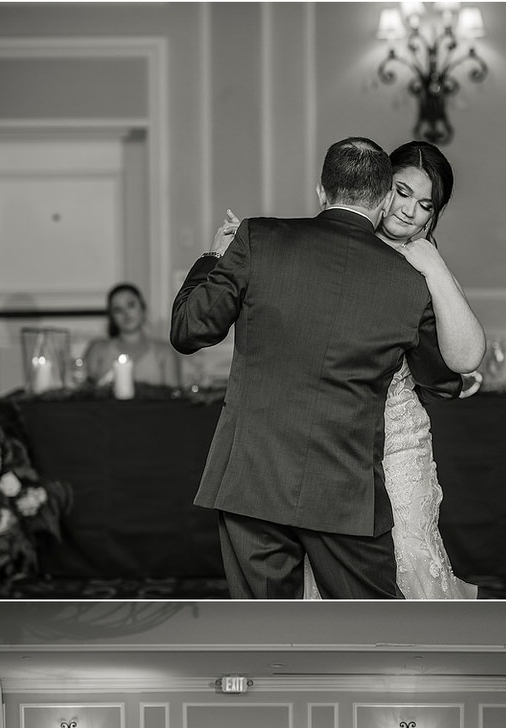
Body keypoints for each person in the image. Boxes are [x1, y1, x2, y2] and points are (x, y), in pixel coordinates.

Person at [170, 136, 462, 600]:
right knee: (372, 635)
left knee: (269, 639)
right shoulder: (408, 280)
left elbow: (188, 331)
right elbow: (441, 375)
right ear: (385, 198)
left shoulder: (257, 239)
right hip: (346, 489)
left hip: (253, 479)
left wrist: (212, 259)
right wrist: (458, 381)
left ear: (321, 192)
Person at [304, 141, 484, 600]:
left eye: (425, 205)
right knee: (330, 568)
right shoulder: (331, 247)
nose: (409, 211)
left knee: (412, 553)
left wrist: (434, 266)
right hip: (331, 434)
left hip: (400, 436)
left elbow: (464, 355)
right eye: (401, 192)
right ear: (379, 187)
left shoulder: (424, 263)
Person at [85, 283, 182, 387]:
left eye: (131, 305)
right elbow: (83, 392)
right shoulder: (98, 349)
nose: (125, 313)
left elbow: (174, 398)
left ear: (142, 308)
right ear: (112, 317)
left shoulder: (164, 352)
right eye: (118, 309)